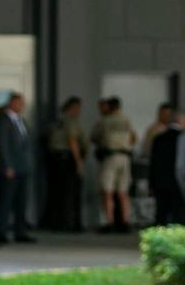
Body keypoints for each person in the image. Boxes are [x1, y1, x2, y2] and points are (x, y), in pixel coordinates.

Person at [0, 92, 35, 243]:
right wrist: (7, 165)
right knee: (6, 201)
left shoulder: (21, 121)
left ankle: (20, 231)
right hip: (10, 169)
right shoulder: (3, 122)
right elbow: (2, 146)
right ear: (12, 103)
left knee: (21, 201)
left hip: (23, 168)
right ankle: (1, 232)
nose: (22, 106)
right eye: (19, 103)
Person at [92, 97, 137, 232]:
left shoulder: (105, 121)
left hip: (110, 157)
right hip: (125, 157)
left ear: (110, 107)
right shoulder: (127, 120)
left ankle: (109, 222)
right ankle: (125, 221)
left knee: (108, 191)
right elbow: (134, 138)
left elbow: (94, 138)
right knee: (123, 192)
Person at [44, 96, 86, 232]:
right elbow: (72, 141)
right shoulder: (70, 121)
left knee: (56, 192)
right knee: (69, 193)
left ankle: (55, 222)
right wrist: (78, 161)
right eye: (77, 108)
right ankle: (70, 223)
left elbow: (45, 138)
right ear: (72, 108)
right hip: (67, 159)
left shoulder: (55, 121)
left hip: (53, 159)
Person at [149, 111, 185, 226]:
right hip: (178, 182)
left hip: (160, 182)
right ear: (181, 122)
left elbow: (153, 163)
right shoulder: (184, 138)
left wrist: (151, 184)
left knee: (161, 213)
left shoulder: (158, 139)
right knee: (178, 214)